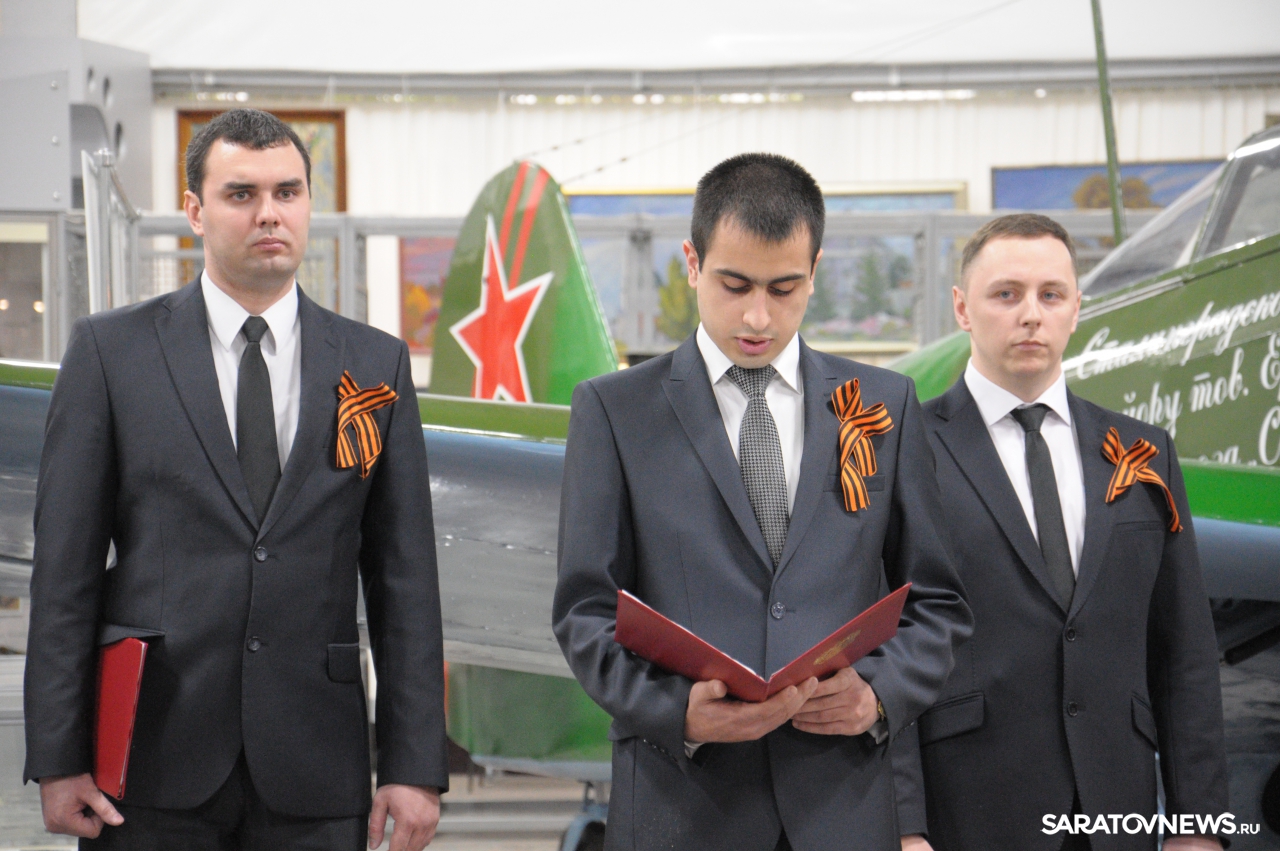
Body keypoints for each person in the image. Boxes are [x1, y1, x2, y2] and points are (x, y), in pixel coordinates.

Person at [24, 108, 448, 851]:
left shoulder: (373, 363)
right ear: (195, 211)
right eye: (241, 194)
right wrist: (59, 757)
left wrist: (414, 764)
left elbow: (404, 580)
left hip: (315, 760)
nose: (269, 214)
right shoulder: (111, 353)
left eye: (287, 192)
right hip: (151, 757)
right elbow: (65, 573)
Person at [552, 152, 972, 851]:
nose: (757, 315)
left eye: (784, 288)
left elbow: (938, 602)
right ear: (692, 262)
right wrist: (678, 711)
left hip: (842, 806)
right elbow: (584, 611)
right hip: (682, 806)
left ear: (815, 271)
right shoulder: (614, 411)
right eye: (735, 284)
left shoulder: (883, 405)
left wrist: (878, 694)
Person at [893, 214, 1229, 851]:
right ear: (963, 308)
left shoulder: (1142, 452)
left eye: (1051, 295)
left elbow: (1184, 649)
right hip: (967, 811)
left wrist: (1200, 825)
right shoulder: (908, 451)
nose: (1031, 315)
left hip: (1115, 811)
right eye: (1006, 294)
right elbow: (885, 644)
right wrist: (903, 826)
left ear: (1077, 309)